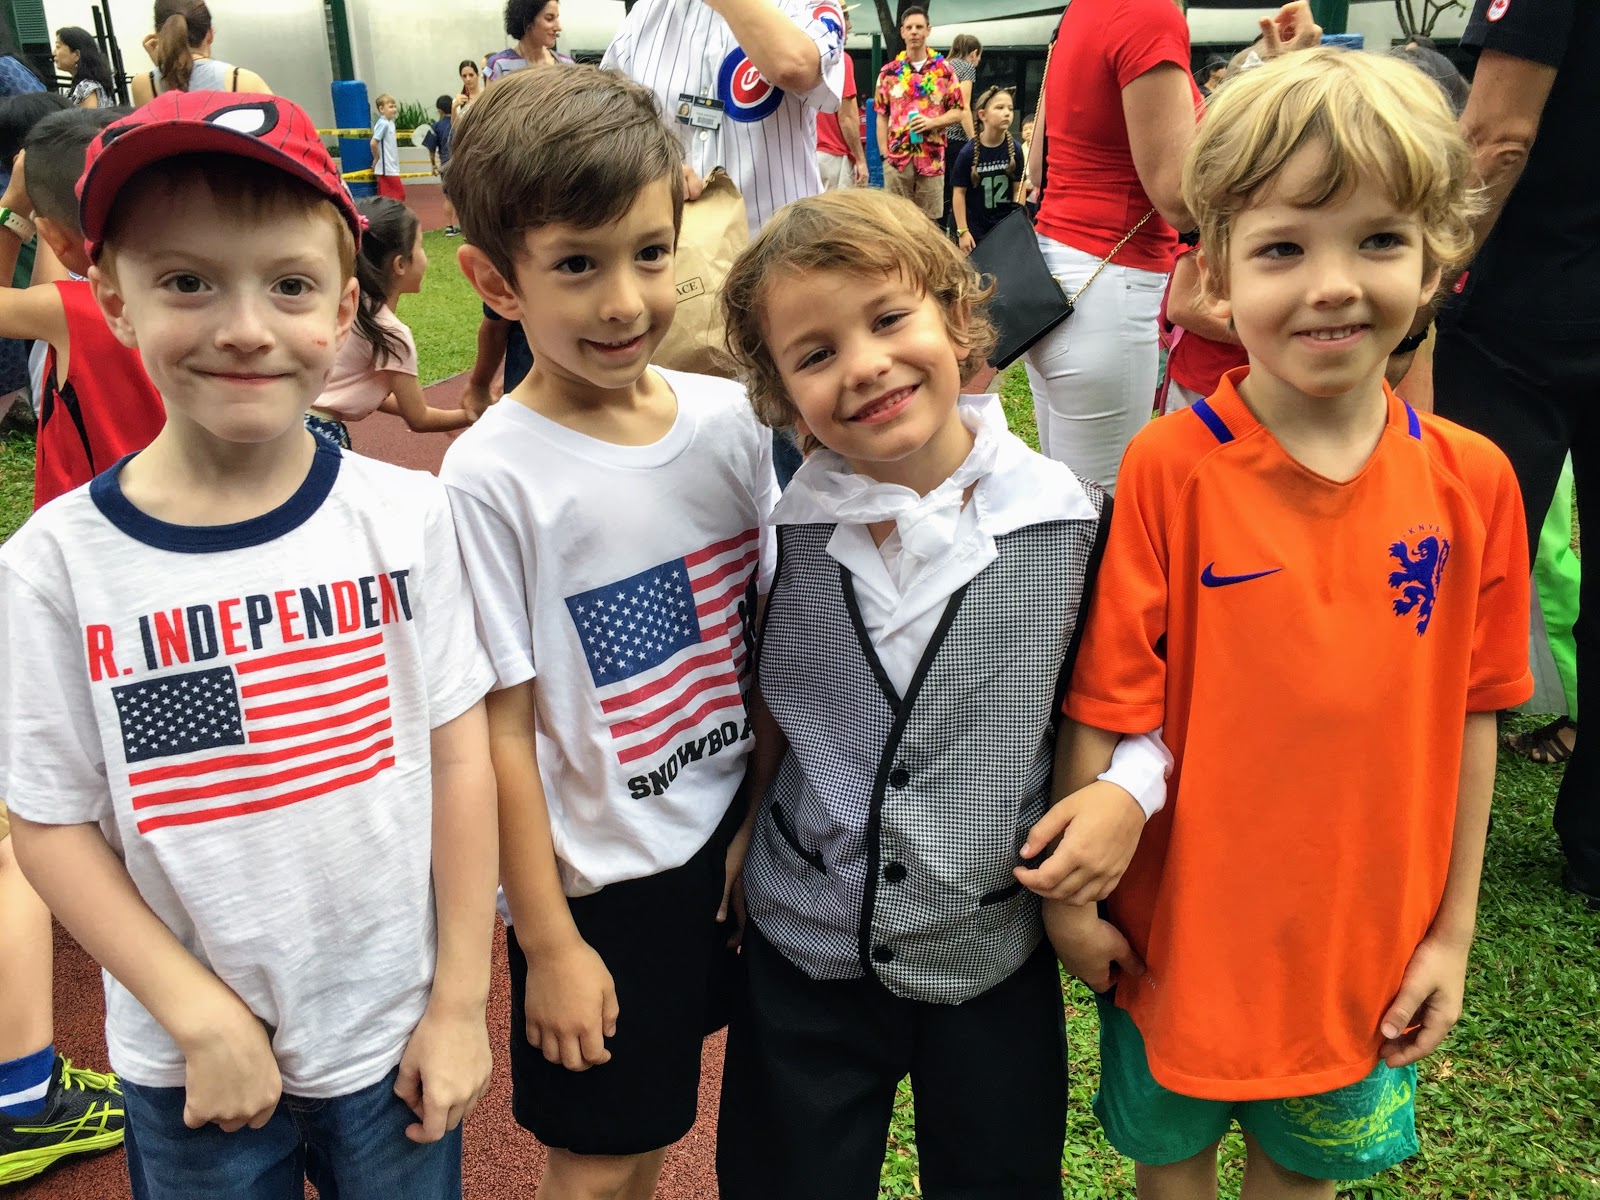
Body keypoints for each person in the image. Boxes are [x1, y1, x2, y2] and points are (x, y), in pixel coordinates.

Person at [1, 91, 498, 1199]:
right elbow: (48, 824)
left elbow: (460, 757)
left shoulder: (408, 519)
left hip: (392, 1038)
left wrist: (462, 1001)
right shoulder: (53, 569)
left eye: (289, 285)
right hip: (190, 1063)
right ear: (111, 297)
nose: (243, 326)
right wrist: (195, 1013)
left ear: (344, 303)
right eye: (187, 281)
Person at [1056, 49, 1531, 1196]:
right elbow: (1107, 700)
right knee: (1171, 1175)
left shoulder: (1475, 482)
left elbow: (1474, 719)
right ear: (1214, 273)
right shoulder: (1168, 467)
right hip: (1177, 940)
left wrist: (1450, 934)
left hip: (1361, 952)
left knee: (1301, 1181)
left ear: (1436, 261)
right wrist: (1076, 906)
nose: (1331, 284)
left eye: (1377, 240)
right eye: (1282, 247)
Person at [713, 186, 1170, 1200]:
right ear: (782, 396)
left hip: (989, 943)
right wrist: (746, 824)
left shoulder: (1075, 527)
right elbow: (781, 701)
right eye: (816, 353)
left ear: (959, 317)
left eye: (889, 318)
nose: (865, 365)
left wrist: (1126, 793)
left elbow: (1148, 701)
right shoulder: (783, 538)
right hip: (804, 939)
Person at [442, 65, 778, 1200]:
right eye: (576, 265)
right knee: (598, 1160)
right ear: (495, 281)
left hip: (730, 845)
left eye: (648, 252)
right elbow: (499, 730)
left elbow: (764, 635)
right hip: (602, 882)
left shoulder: (732, 421)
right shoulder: (492, 476)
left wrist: (757, 818)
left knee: (662, 1121)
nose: (626, 301)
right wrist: (547, 942)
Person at [1431, 0, 1600, 907]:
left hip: (1522, 318)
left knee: (1453, 581)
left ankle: (1417, 827)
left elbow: (1498, 134)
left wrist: (1424, 282)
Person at [1022, 0, 1319, 491]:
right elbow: (1180, 201)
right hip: (1110, 282)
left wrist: (1262, 68)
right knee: (1104, 508)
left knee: (1065, 502)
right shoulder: (1150, 13)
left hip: (1053, 277)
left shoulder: (1082, 9)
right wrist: (1287, 79)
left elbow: (1038, 167)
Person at [0, 106, 164, 509]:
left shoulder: (71, 310)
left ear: (52, 237)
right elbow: (53, 285)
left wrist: (15, 206)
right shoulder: (206, 292)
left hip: (97, 517)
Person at [603, 0, 844, 235]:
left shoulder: (802, 4)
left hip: (782, 243)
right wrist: (650, 169)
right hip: (682, 246)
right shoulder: (645, 14)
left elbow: (795, 66)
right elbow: (605, 125)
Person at [309, 196, 471, 448]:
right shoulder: (390, 333)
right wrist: (471, 415)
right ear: (400, 264)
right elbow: (419, 418)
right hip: (322, 434)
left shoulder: (345, 307)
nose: (425, 257)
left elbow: (354, 386)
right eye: (421, 246)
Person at [873, 8, 963, 222]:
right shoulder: (888, 72)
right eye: (909, 27)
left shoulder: (945, 71)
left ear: (928, 30)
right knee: (897, 222)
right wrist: (885, 155)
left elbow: (959, 111)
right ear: (902, 32)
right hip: (897, 159)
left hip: (931, 158)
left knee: (929, 223)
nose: (914, 32)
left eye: (919, 27)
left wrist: (933, 122)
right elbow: (881, 115)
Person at [130, 0, 270, 103]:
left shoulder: (144, 85)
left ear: (159, 36)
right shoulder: (242, 80)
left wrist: (162, 67)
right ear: (210, 34)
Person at [950, 85, 1021, 252]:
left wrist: (1018, 221)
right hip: (975, 230)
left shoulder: (1015, 150)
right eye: (999, 108)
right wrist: (963, 231)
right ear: (982, 115)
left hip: (1003, 228)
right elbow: (958, 193)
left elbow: (1018, 188)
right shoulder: (968, 152)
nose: (1007, 113)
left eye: (1010, 108)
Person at [814, 6, 866, 189]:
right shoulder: (841, 59)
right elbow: (846, 117)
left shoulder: (806, 57)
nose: (849, 26)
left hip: (806, 154)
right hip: (834, 156)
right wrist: (860, 160)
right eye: (845, 18)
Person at [941, 33, 980, 230]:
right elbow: (963, 105)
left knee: (941, 193)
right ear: (974, 53)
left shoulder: (941, 66)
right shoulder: (966, 68)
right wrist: (973, 140)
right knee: (958, 188)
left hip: (937, 135)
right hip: (956, 137)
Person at [485, 0, 573, 81]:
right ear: (528, 21)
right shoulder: (499, 65)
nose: (558, 27)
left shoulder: (567, 65)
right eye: (549, 19)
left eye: (557, 18)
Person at [54, 28, 114, 109]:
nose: (54, 53)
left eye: (58, 47)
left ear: (76, 55)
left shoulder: (88, 89)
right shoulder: (78, 88)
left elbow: (90, 116)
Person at [371, 93, 404, 202]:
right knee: (397, 197)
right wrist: (376, 158)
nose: (394, 109)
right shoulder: (383, 124)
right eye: (390, 107)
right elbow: (373, 142)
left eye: (395, 106)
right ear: (381, 109)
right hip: (386, 169)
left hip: (392, 167)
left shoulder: (390, 123)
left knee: (391, 199)